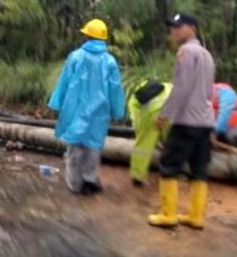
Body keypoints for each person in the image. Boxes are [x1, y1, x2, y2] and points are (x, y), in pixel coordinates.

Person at [148, 13, 214, 230]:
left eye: (179, 26)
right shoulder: (206, 54)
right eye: (172, 27)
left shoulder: (185, 52)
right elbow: (209, 91)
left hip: (186, 121)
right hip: (204, 121)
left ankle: (168, 215)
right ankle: (196, 216)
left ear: (192, 28)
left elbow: (182, 88)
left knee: (169, 164)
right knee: (199, 168)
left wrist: (164, 114)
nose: (174, 31)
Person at [48, 19, 125, 196]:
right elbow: (115, 89)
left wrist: (56, 103)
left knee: (75, 148)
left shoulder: (76, 57)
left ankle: (75, 184)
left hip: (75, 110)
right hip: (99, 112)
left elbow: (64, 82)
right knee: (93, 147)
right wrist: (117, 111)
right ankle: (89, 180)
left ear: (87, 35)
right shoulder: (110, 61)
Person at [128, 79, 172, 186]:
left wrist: (140, 131)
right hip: (169, 112)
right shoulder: (170, 87)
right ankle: (169, 173)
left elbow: (135, 118)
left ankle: (137, 176)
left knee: (143, 147)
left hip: (150, 114)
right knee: (170, 143)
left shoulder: (137, 96)